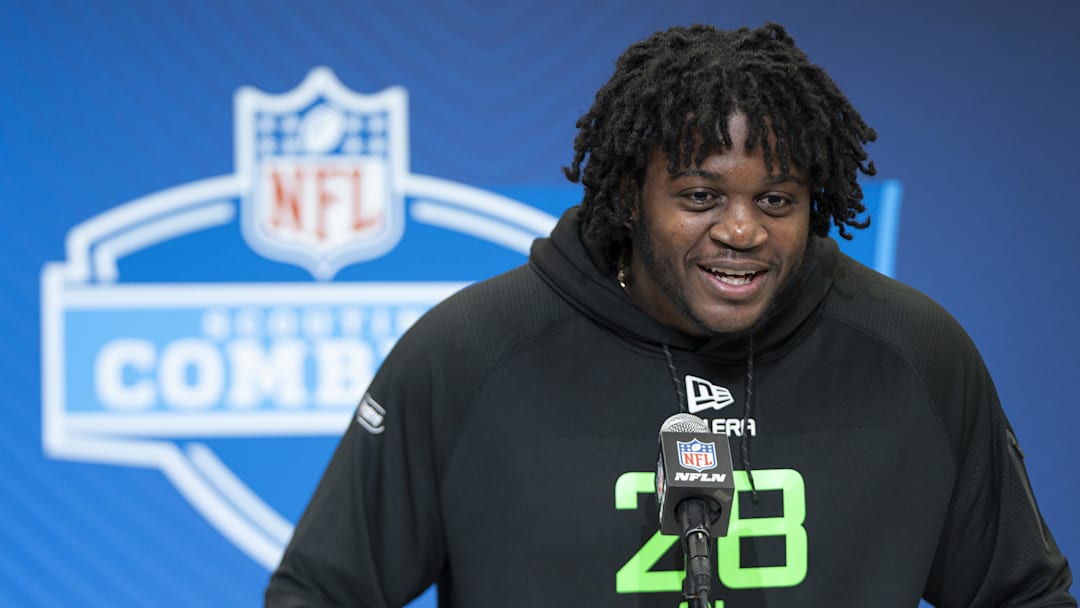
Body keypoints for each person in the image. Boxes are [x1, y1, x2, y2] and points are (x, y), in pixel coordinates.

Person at [265, 23, 1075, 607]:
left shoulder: (913, 352)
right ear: (629, 197)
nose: (741, 229)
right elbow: (320, 593)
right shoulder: (471, 353)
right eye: (699, 196)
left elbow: (1024, 593)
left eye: (777, 199)